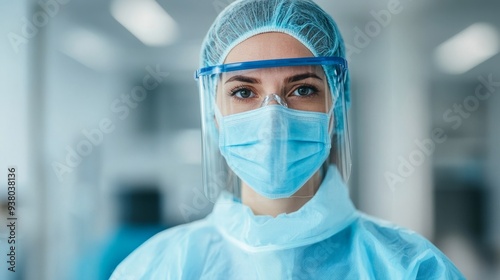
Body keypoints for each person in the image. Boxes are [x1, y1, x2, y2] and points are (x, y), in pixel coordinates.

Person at [111, 0, 465, 278]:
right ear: (213, 113)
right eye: (243, 92)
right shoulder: (156, 269)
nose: (272, 118)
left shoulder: (412, 269)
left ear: (336, 107)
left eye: (303, 88)